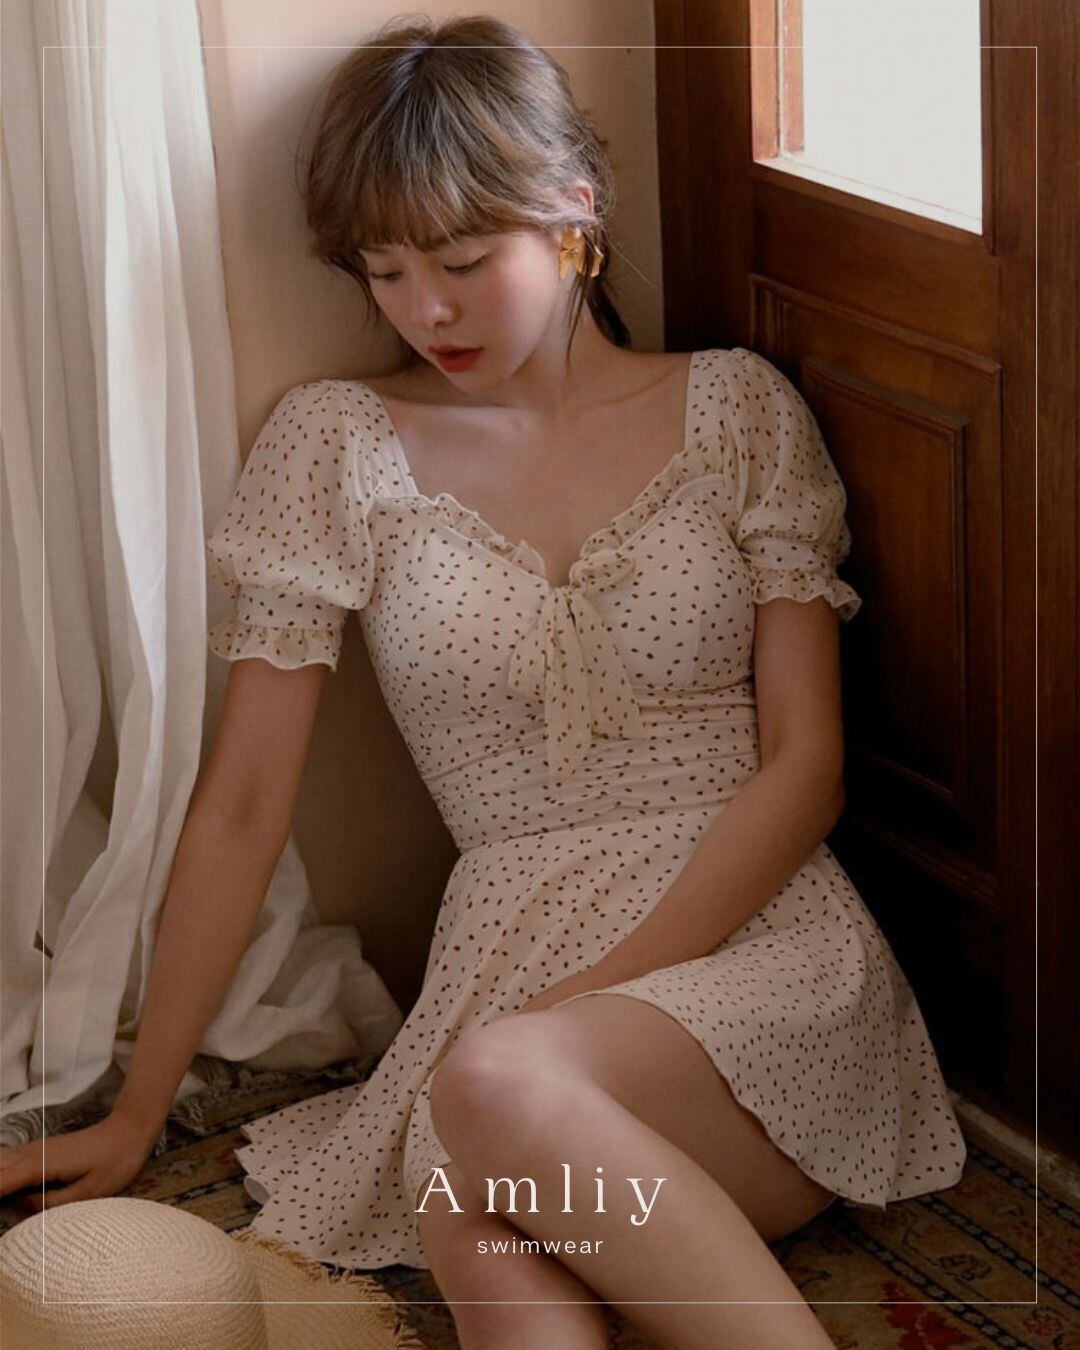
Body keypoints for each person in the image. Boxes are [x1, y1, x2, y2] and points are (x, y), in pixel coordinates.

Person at [1, 14, 967, 1349]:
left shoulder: (735, 409)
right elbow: (243, 803)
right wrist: (136, 1109)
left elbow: (808, 770)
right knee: (470, 1189)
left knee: (492, 1096)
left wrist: (583, 1001)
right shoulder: (336, 445)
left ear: (574, 214)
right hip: (510, 975)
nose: (425, 310)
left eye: (462, 262)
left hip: (765, 951)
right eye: (385, 271)